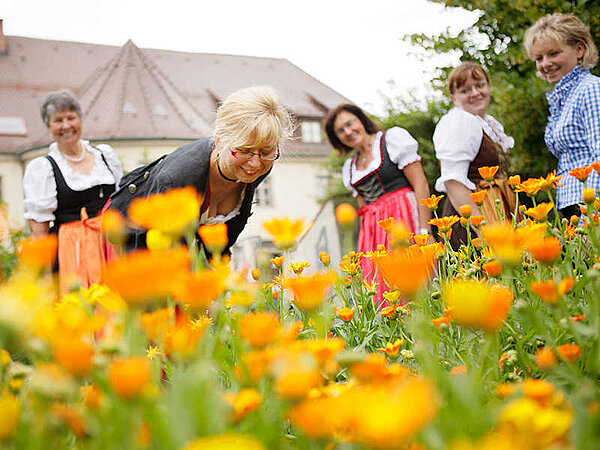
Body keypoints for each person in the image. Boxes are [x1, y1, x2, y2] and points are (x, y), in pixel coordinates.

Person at [109, 85, 293, 255]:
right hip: (126, 241)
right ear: (220, 140)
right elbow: (153, 251)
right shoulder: (176, 179)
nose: (255, 164)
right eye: (244, 150)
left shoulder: (258, 166)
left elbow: (217, 249)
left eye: (266, 151)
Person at [324, 103, 433, 302]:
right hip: (375, 232)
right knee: (384, 289)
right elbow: (363, 209)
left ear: (361, 120)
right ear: (337, 138)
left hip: (405, 219)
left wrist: (425, 231)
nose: (348, 131)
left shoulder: (392, 140)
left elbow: (421, 184)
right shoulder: (350, 168)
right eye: (340, 130)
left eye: (350, 123)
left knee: (415, 283)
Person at [23, 89, 123, 291]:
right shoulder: (43, 168)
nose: (66, 125)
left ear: (80, 120)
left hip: (109, 245)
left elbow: (121, 202)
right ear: (48, 126)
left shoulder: (105, 156)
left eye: (71, 118)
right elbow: (39, 230)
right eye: (58, 120)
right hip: (71, 251)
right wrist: (41, 276)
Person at [433, 62, 517, 249]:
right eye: (465, 90)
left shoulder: (487, 123)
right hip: (473, 214)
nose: (475, 93)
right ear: (453, 97)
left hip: (499, 203)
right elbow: (453, 182)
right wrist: (484, 229)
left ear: (488, 87)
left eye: (479, 85)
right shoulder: (458, 122)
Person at [525, 13, 600, 219]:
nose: (545, 64)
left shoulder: (590, 90)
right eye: (539, 58)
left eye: (553, 53)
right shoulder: (564, 97)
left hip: (589, 205)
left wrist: (591, 216)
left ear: (579, 49)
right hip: (571, 203)